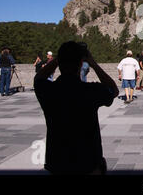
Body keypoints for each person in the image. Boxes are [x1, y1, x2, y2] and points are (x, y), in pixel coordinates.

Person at [34, 41, 118, 174]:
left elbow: (38, 78)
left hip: (58, 162)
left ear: (59, 63)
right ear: (80, 64)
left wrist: (58, 59)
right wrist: (93, 63)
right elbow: (113, 90)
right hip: (88, 161)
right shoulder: (89, 91)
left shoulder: (49, 91)